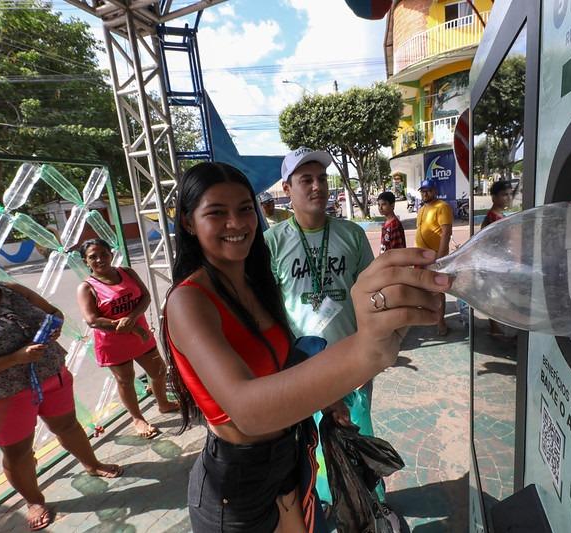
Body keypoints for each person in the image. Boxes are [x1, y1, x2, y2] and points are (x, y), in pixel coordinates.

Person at [162, 161, 449, 532]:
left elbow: (282, 360)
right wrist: (366, 351)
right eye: (217, 213)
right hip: (237, 484)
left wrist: (327, 399)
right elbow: (247, 410)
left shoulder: (254, 285)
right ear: (188, 222)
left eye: (245, 209)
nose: (236, 223)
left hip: (290, 463)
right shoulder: (188, 301)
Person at [0, 244, 122, 531]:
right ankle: (34, 499)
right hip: (3, 395)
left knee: (68, 425)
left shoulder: (14, 291)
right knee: (18, 453)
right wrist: (14, 359)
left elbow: (53, 312)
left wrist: (54, 326)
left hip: (51, 375)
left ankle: (92, 463)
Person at [265, 147, 385, 508]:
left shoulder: (351, 234)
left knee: (359, 432)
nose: (317, 186)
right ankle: (332, 504)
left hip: (353, 362)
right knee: (316, 440)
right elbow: (270, 312)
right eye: (306, 180)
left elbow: (372, 296)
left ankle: (371, 503)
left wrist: (373, 350)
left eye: (321, 178)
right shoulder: (272, 243)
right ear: (288, 188)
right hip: (305, 366)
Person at [77, 239, 178, 439]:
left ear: (111, 254)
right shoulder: (87, 288)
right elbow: (92, 320)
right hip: (113, 342)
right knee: (125, 380)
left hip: (140, 334)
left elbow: (145, 297)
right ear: (85, 261)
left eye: (103, 254)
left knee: (158, 371)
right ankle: (137, 418)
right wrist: (127, 327)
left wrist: (131, 320)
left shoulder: (127, 273)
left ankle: (163, 403)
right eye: (92, 257)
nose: (99, 259)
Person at [415, 178, 454, 335]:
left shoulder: (442, 207)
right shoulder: (422, 209)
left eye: (428, 190)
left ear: (435, 191)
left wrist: (440, 257)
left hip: (435, 258)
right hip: (421, 256)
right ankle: (430, 318)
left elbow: (446, 233)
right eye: (423, 191)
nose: (425, 193)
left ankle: (441, 323)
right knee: (423, 289)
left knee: (437, 290)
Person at [480, 180, 515, 338]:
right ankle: (496, 327)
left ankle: (498, 326)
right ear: (494, 197)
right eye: (504, 194)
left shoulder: (500, 217)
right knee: (497, 296)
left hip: (501, 263)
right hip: (495, 264)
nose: (508, 198)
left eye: (509, 194)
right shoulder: (493, 218)